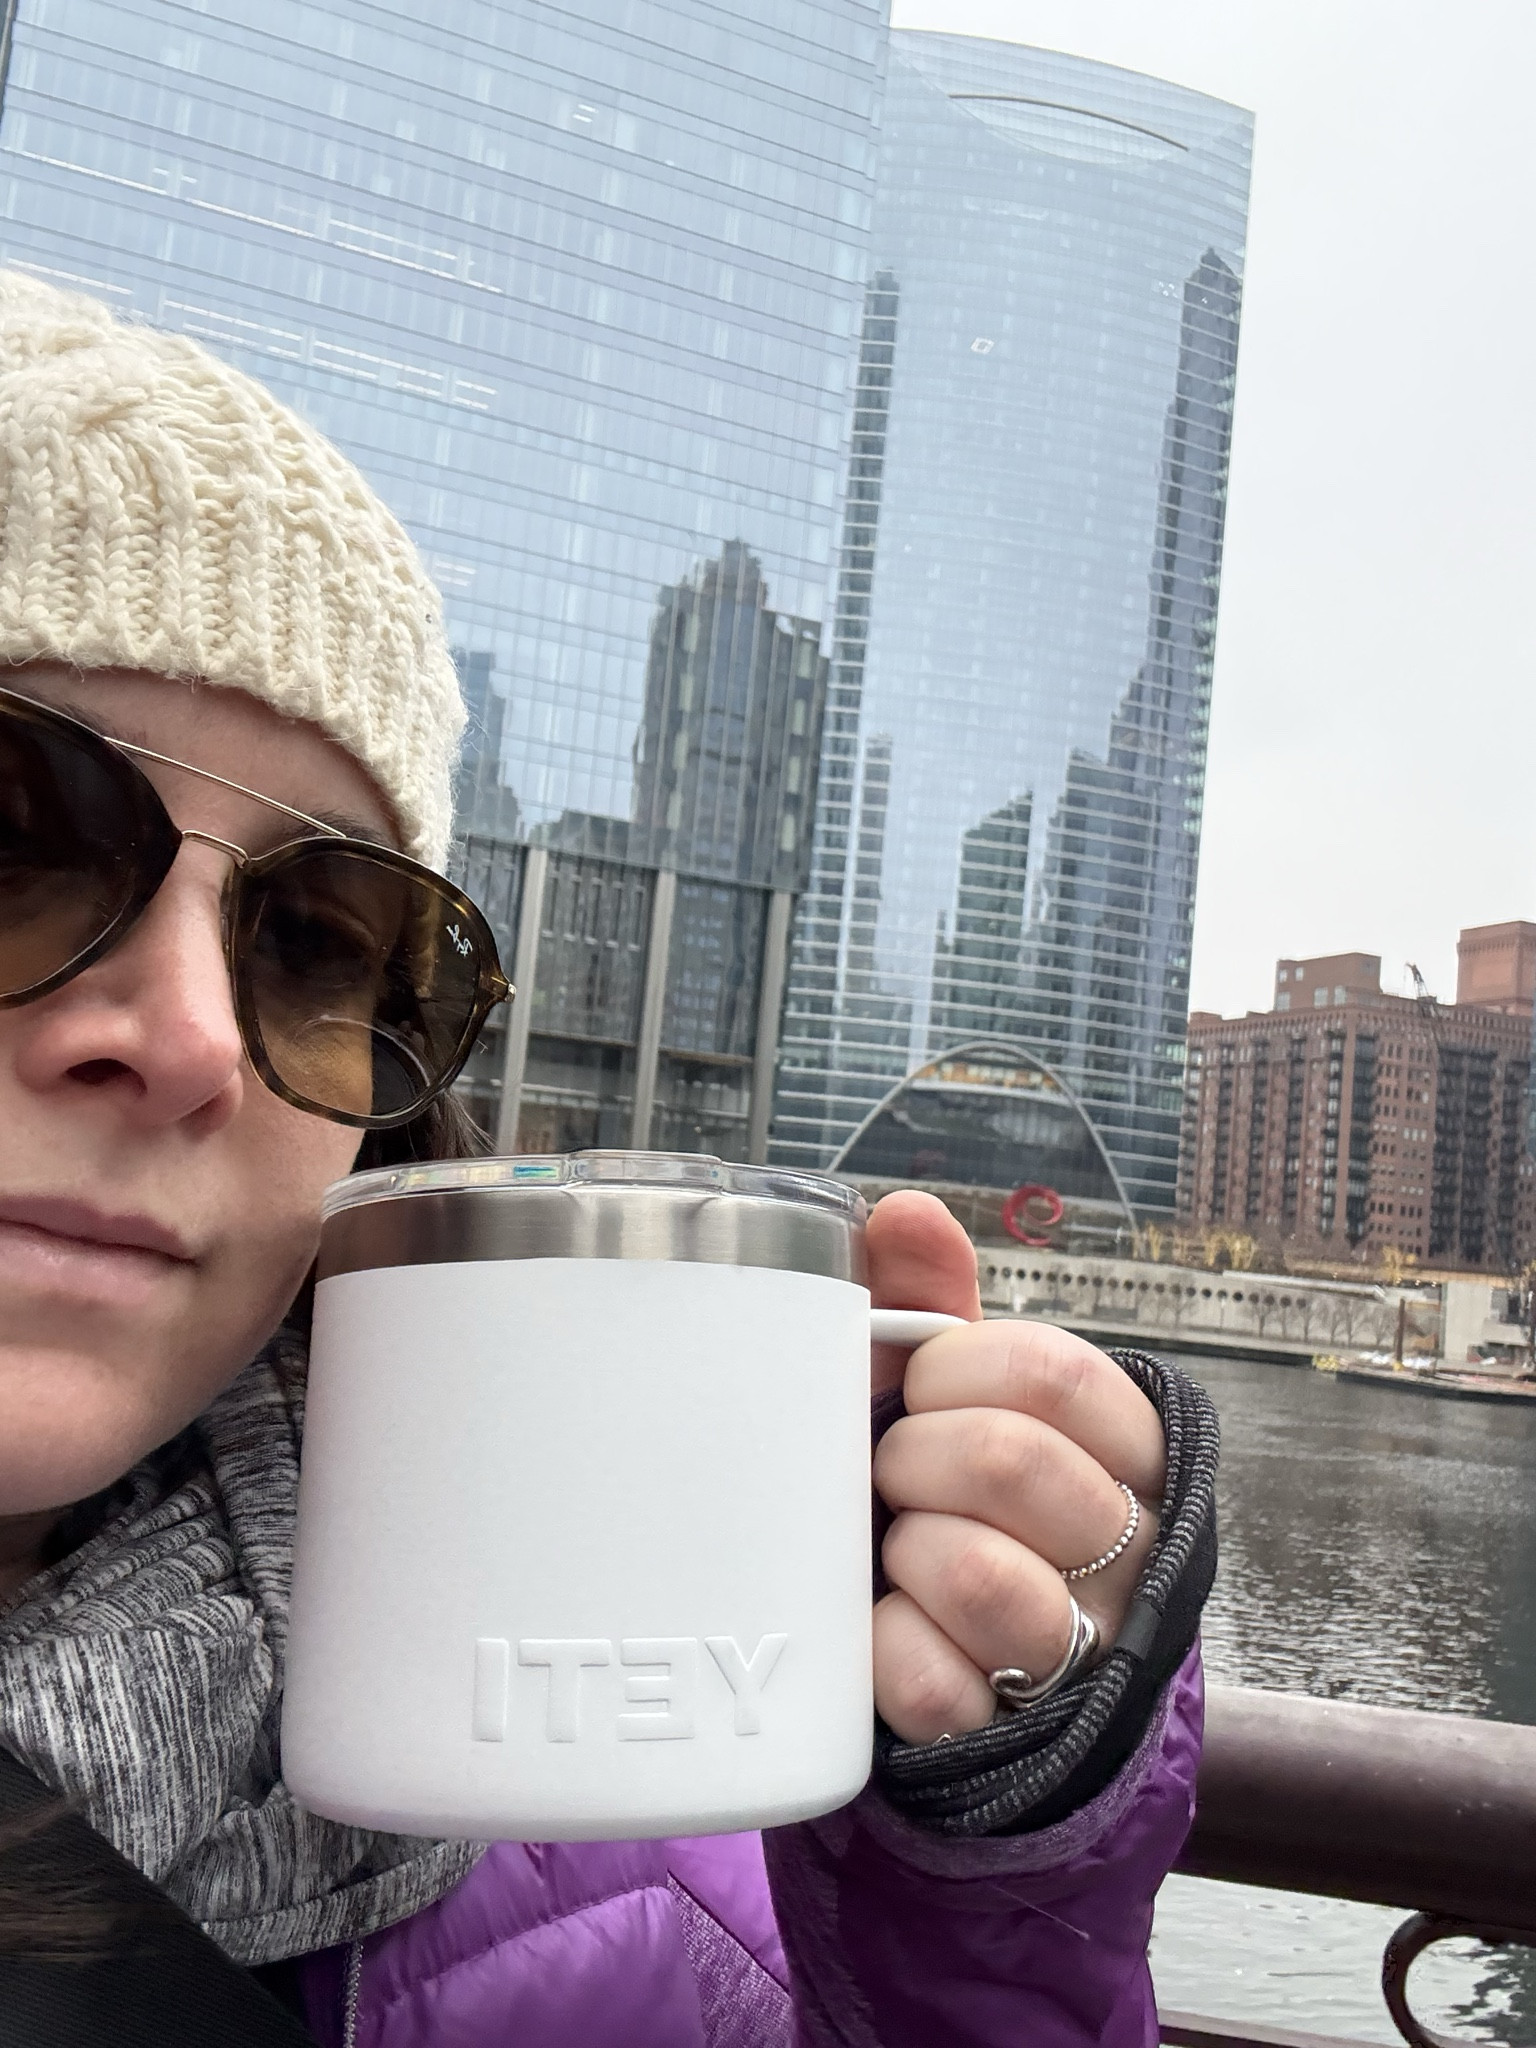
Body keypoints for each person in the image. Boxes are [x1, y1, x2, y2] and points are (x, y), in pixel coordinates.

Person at [0, 269, 1217, 2047]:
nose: (185, 1038)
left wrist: (986, 1880)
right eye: (16, 839)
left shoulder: (632, 1878)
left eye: (322, 941)